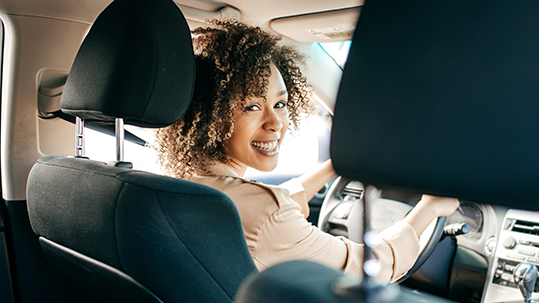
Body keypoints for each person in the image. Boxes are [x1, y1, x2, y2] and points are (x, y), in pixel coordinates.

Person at [155, 20, 459, 284]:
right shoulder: (263, 214)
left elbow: (271, 209)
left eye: (280, 104)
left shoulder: (183, 183)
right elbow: (368, 270)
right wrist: (429, 208)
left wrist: (338, 164)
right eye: (252, 107)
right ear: (211, 113)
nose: (275, 123)